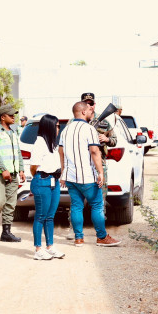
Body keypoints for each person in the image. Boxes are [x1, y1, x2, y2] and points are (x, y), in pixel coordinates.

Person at [59, 101, 121, 247]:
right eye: (87, 109)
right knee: (97, 206)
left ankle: (78, 238)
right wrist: (100, 172)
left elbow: (60, 152)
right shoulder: (89, 129)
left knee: (76, 206)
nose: (90, 111)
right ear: (82, 112)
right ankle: (101, 237)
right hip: (87, 176)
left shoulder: (65, 130)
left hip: (71, 177)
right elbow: (94, 151)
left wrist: (63, 172)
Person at [0, 103, 24, 243]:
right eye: (10, 115)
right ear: (2, 117)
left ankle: (6, 232)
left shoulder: (13, 132)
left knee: (10, 203)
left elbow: (17, 152)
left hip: (12, 173)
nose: (13, 117)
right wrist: (4, 170)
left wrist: (21, 169)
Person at [29, 114, 65, 260]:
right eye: (57, 126)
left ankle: (50, 246)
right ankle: (38, 249)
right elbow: (33, 167)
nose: (58, 129)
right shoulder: (39, 143)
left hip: (53, 181)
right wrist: (40, 176)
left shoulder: (52, 143)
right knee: (40, 216)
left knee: (50, 216)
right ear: (49, 126)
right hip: (42, 180)